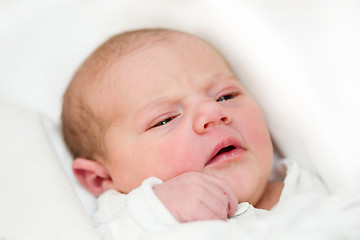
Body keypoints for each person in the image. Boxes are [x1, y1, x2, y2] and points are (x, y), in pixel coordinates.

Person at [61, 28, 327, 239]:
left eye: (226, 95)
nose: (213, 112)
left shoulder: (310, 187)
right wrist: (157, 210)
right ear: (100, 179)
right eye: (165, 120)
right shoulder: (129, 218)